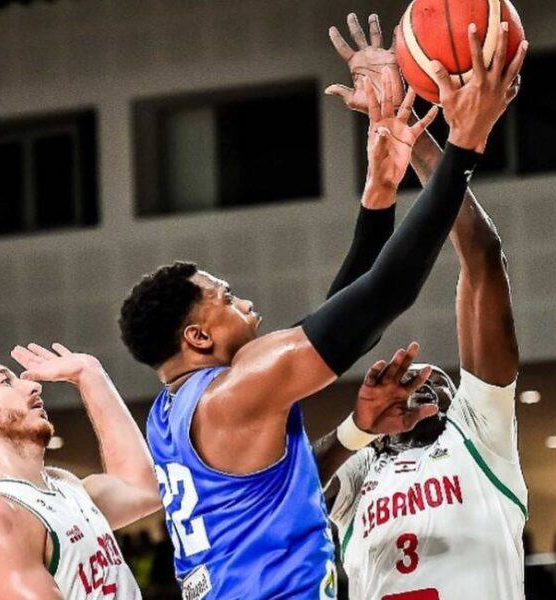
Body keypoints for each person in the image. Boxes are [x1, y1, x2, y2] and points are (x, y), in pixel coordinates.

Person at [118, 22, 523, 596]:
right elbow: (380, 297)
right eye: (227, 298)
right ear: (198, 337)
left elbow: (344, 314)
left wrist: (379, 195)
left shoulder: (174, 413)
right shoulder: (233, 394)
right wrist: (464, 143)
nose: (247, 304)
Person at [323, 13, 529, 599]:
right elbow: (274, 488)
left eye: (436, 380)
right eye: (413, 378)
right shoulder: (359, 471)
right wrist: (355, 430)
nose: (420, 380)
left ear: (456, 401)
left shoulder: (479, 435)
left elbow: (482, 259)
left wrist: (415, 133)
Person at [0, 343, 161, 599]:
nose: (33, 386)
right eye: (5, 382)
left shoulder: (63, 485)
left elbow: (142, 489)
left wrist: (90, 374)